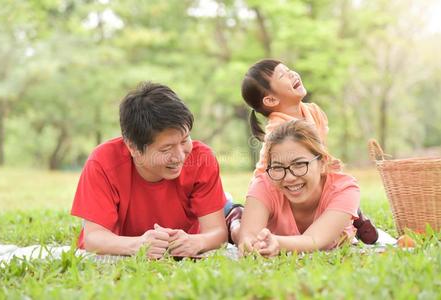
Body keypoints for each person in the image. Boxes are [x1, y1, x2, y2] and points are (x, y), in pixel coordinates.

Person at [71, 82, 228, 258]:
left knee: (229, 210)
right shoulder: (102, 163)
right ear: (133, 148)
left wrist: (197, 242)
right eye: (166, 149)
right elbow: (94, 238)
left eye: (184, 140)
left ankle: (231, 208)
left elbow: (217, 232)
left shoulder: (202, 159)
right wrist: (137, 245)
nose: (180, 157)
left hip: (199, 211)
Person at [237, 58, 378, 244]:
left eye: (289, 70)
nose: (292, 74)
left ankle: (351, 213)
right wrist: (261, 200)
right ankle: (236, 218)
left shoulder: (313, 112)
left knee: (339, 191)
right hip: (279, 184)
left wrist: (326, 164)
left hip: (313, 173)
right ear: (271, 99)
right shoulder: (277, 131)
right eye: (283, 75)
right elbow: (268, 172)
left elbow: (318, 148)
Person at [238, 120, 360, 256]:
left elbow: (314, 240)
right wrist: (252, 243)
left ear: (322, 163)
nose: (289, 178)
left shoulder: (345, 189)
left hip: (336, 212)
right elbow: (248, 237)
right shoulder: (264, 184)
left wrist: (277, 242)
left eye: (299, 164)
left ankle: (356, 217)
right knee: (236, 230)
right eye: (278, 167)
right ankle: (234, 216)